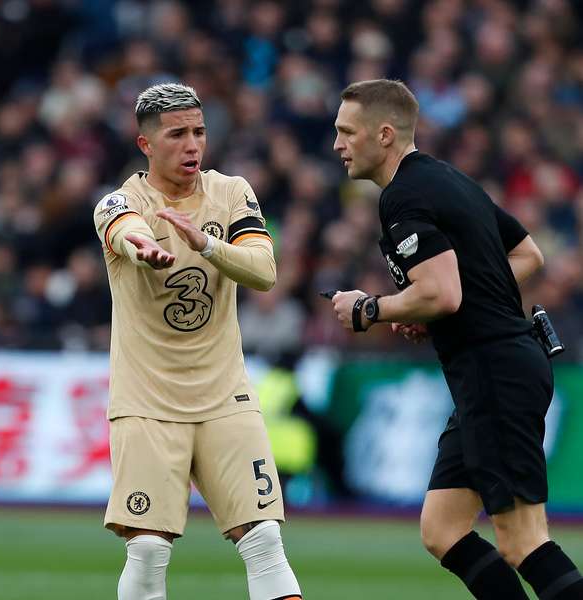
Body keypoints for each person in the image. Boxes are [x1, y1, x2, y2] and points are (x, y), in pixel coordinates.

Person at [328, 78, 582, 600]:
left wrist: (368, 309)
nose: (337, 145)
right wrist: (447, 299)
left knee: (523, 541)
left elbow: (441, 294)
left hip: (495, 372)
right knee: (442, 529)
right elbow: (526, 255)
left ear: (383, 134)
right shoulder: (451, 180)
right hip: (497, 369)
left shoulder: (403, 195)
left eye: (346, 132)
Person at [93, 82, 301, 600]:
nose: (192, 145)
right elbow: (128, 231)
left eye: (199, 132)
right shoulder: (121, 200)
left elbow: (264, 270)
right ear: (145, 144)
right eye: (177, 134)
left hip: (224, 396)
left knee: (265, 538)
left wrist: (204, 242)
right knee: (147, 550)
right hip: (147, 401)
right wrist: (146, 249)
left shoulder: (231, 192)